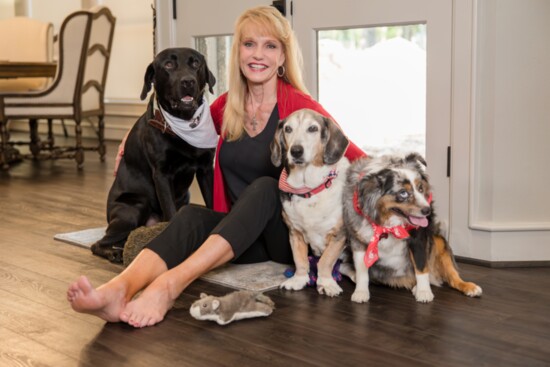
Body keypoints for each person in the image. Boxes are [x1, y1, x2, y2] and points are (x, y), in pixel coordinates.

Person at [67, 5, 366, 328]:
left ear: (282, 57)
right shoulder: (228, 106)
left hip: (287, 236)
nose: (258, 54)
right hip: (237, 235)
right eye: (249, 44)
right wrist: (132, 132)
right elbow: (178, 125)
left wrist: (402, 204)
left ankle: (169, 286)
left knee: (267, 187)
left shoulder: (298, 106)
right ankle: (117, 290)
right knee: (190, 214)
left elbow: (355, 156)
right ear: (237, 51)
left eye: (270, 46)